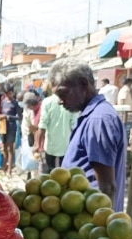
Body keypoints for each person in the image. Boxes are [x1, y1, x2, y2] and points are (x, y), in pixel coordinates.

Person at [49, 58, 127, 211]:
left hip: (91, 222)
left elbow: (107, 187)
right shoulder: (91, 116)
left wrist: (102, 228)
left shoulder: (98, 120)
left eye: (63, 93)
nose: (60, 101)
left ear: (84, 84)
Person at [36, 88, 77, 172]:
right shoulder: (71, 102)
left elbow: (42, 125)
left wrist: (37, 144)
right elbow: (74, 126)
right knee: (64, 174)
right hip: (66, 146)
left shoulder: (47, 102)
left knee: (50, 172)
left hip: (50, 146)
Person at [18, 92, 41, 178]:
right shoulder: (27, 109)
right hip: (26, 135)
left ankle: (34, 177)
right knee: (28, 157)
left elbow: (34, 127)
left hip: (32, 137)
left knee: (34, 160)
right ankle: (29, 174)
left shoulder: (34, 111)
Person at [0, 84, 21, 175]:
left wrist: (8, 117)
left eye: (11, 93)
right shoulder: (3, 102)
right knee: (4, 148)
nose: (10, 94)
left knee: (10, 149)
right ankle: (4, 166)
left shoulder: (15, 103)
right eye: (8, 93)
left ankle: (9, 169)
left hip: (12, 127)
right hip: (3, 127)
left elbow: (19, 117)